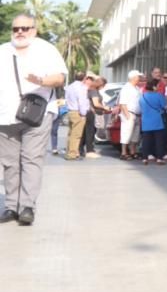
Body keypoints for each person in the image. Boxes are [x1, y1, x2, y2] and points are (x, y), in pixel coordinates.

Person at [0, 13, 67, 225]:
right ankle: (11, 206)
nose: (20, 32)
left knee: (31, 159)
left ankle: (27, 206)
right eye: (16, 29)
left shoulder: (46, 50)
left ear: (34, 30)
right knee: (10, 163)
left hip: (37, 113)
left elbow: (60, 77)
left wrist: (41, 80)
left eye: (25, 28)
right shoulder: (2, 51)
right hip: (5, 114)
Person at [138, 77, 167, 164]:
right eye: (157, 86)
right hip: (157, 121)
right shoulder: (159, 95)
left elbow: (141, 107)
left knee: (146, 140)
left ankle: (144, 158)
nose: (158, 88)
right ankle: (159, 158)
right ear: (154, 87)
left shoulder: (142, 96)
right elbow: (166, 106)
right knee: (159, 140)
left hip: (145, 122)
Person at [64, 73, 93, 160]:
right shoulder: (82, 88)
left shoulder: (69, 87)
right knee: (76, 135)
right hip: (78, 112)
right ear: (84, 78)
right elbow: (82, 101)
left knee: (70, 133)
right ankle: (72, 154)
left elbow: (66, 99)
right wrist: (83, 114)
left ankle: (70, 152)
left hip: (71, 111)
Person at [81, 74, 108, 159]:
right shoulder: (94, 91)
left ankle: (83, 149)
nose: (103, 87)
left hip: (91, 113)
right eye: (103, 85)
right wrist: (105, 107)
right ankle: (89, 150)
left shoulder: (92, 90)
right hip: (92, 113)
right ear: (100, 84)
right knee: (90, 132)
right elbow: (96, 103)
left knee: (87, 132)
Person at [118, 70, 143, 160]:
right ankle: (124, 152)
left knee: (135, 135)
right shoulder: (126, 88)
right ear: (134, 78)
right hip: (129, 113)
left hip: (136, 114)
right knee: (126, 133)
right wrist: (127, 115)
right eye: (138, 77)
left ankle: (133, 151)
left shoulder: (136, 88)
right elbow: (122, 103)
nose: (139, 78)